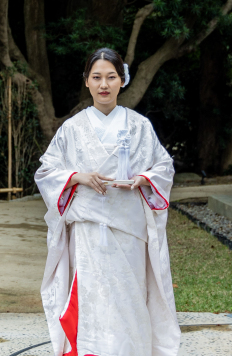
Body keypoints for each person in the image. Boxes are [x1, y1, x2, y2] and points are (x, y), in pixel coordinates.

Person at [34, 47, 180, 356]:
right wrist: (78, 176)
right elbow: (47, 171)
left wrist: (144, 179)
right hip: (87, 231)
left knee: (129, 299)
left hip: (129, 230)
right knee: (91, 301)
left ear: (122, 80)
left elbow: (163, 167)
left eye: (111, 77)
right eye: (96, 77)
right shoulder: (71, 129)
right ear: (86, 81)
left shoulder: (140, 126)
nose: (104, 85)